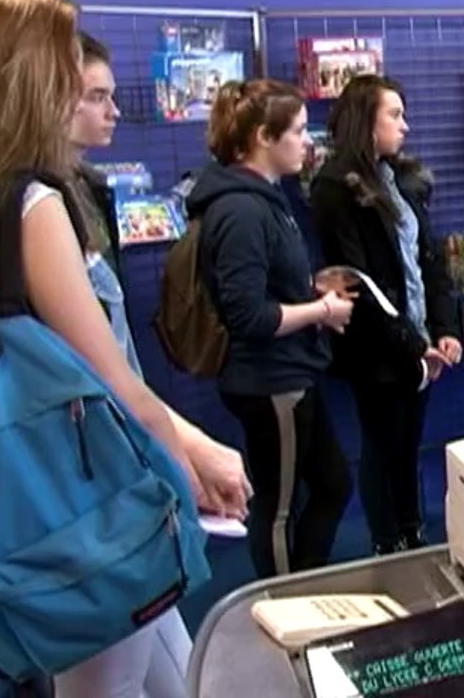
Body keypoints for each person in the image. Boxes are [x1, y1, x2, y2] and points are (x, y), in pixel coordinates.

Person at [0, 0, 249, 698]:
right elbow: (113, 380)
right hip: (89, 505)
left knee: (167, 668)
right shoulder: (31, 203)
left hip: (18, 505)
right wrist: (183, 472)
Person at [190, 78, 354, 579]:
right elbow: (250, 317)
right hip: (270, 380)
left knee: (331, 483)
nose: (308, 142)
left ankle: (306, 580)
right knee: (279, 507)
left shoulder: (264, 198)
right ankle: (286, 601)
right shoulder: (240, 209)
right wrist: (322, 310)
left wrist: (308, 289)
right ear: (264, 135)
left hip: (293, 373)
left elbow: (265, 287)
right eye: (299, 131)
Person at [308, 75, 460, 554]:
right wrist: (416, 346)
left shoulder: (403, 180)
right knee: (382, 444)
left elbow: (428, 259)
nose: (405, 125)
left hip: (417, 336)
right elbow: (355, 277)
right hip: (376, 346)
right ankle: (388, 541)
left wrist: (444, 328)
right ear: (365, 121)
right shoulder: (335, 189)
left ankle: (414, 531)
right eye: (394, 115)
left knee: (410, 442)